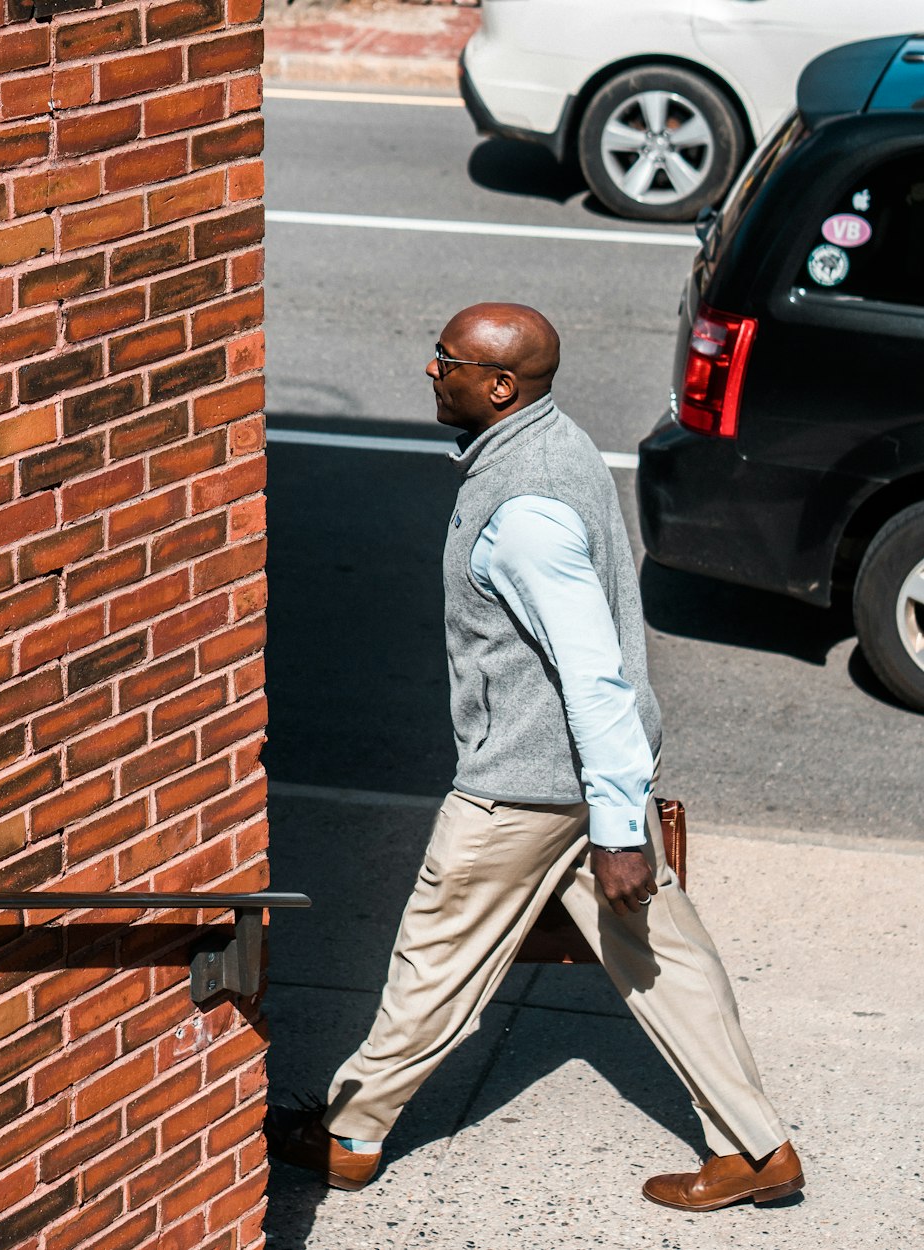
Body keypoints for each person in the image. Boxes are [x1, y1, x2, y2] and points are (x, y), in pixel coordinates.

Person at [267, 303, 804, 1211]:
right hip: (590, 787)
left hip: (523, 791)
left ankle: (351, 1131)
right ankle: (755, 1149)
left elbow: (591, 676)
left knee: (433, 962)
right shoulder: (558, 444)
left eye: (447, 362)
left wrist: (620, 829)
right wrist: (617, 812)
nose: (431, 372)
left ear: (500, 386)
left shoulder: (526, 509)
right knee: (668, 963)